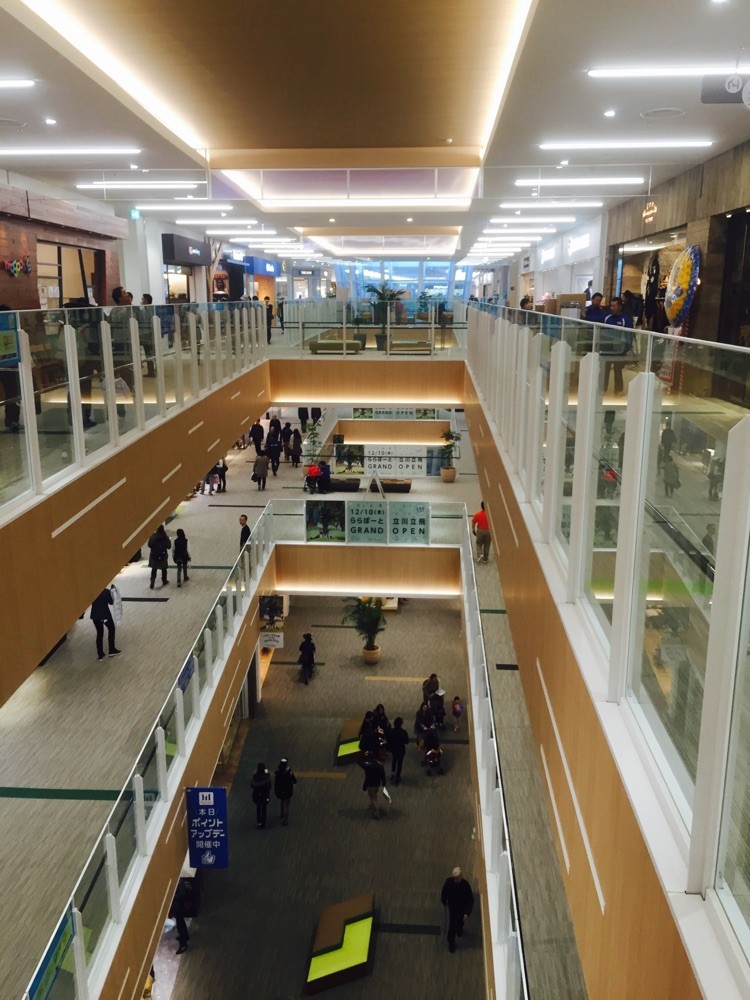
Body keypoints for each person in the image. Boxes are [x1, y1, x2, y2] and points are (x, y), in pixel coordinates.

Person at [602, 297, 634, 396]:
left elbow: (629, 335)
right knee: (605, 369)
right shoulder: (607, 318)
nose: (612, 308)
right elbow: (603, 333)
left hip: (620, 350)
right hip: (608, 349)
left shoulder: (625, 320)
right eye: (611, 305)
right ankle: (603, 389)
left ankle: (618, 390)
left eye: (614, 306)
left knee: (617, 369)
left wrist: (626, 348)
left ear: (620, 307)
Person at [441, 867, 474, 953]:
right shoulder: (449, 883)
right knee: (453, 924)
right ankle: (451, 941)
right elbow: (444, 892)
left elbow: (470, 899)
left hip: (462, 908)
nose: (458, 879)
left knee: (461, 921)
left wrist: (467, 912)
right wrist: (444, 900)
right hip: (453, 908)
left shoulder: (465, 885)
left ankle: (459, 929)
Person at [90, 587, 121, 661]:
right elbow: (111, 602)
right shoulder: (106, 591)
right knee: (111, 629)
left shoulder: (91, 591)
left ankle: (100, 654)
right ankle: (111, 649)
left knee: (99, 634)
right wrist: (113, 592)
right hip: (105, 615)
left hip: (95, 616)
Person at [359, 750, 387, 820]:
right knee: (375, 795)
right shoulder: (380, 765)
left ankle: (376, 813)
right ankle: (374, 806)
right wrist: (383, 784)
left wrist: (364, 755)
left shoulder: (367, 766)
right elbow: (383, 776)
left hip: (370, 784)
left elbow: (359, 761)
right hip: (377, 783)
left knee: (372, 798)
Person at [171, 878, 192, 955]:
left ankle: (183, 944)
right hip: (178, 907)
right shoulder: (179, 881)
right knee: (180, 923)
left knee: (180, 925)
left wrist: (172, 895)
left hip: (178, 907)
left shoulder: (178, 883)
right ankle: (185, 937)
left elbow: (181, 896)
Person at [274, 758, 297, 826]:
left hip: (281, 790)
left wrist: (276, 790)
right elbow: (293, 779)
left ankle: (282, 813)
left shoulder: (278, 772)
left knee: (282, 801)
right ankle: (285, 820)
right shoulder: (289, 771)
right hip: (288, 790)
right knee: (287, 804)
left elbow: (276, 783)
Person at [148, 524, 171, 589]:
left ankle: (152, 582)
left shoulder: (153, 536)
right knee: (164, 569)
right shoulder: (165, 537)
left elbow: (149, 545)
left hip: (154, 556)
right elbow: (169, 546)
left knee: (154, 569)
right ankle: (164, 580)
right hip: (163, 556)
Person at [388, 716, 409, 785]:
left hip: (394, 749)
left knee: (394, 760)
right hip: (401, 750)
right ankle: (397, 776)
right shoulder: (403, 732)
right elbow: (407, 741)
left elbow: (389, 740)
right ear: (401, 724)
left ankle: (393, 773)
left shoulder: (391, 731)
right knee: (400, 763)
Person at [251, 763, 272, 829]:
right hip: (265, 795)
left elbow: (252, 785)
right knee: (264, 809)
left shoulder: (255, 776)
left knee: (258, 808)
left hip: (257, 795)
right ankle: (263, 823)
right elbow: (269, 786)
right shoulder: (267, 777)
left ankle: (259, 821)